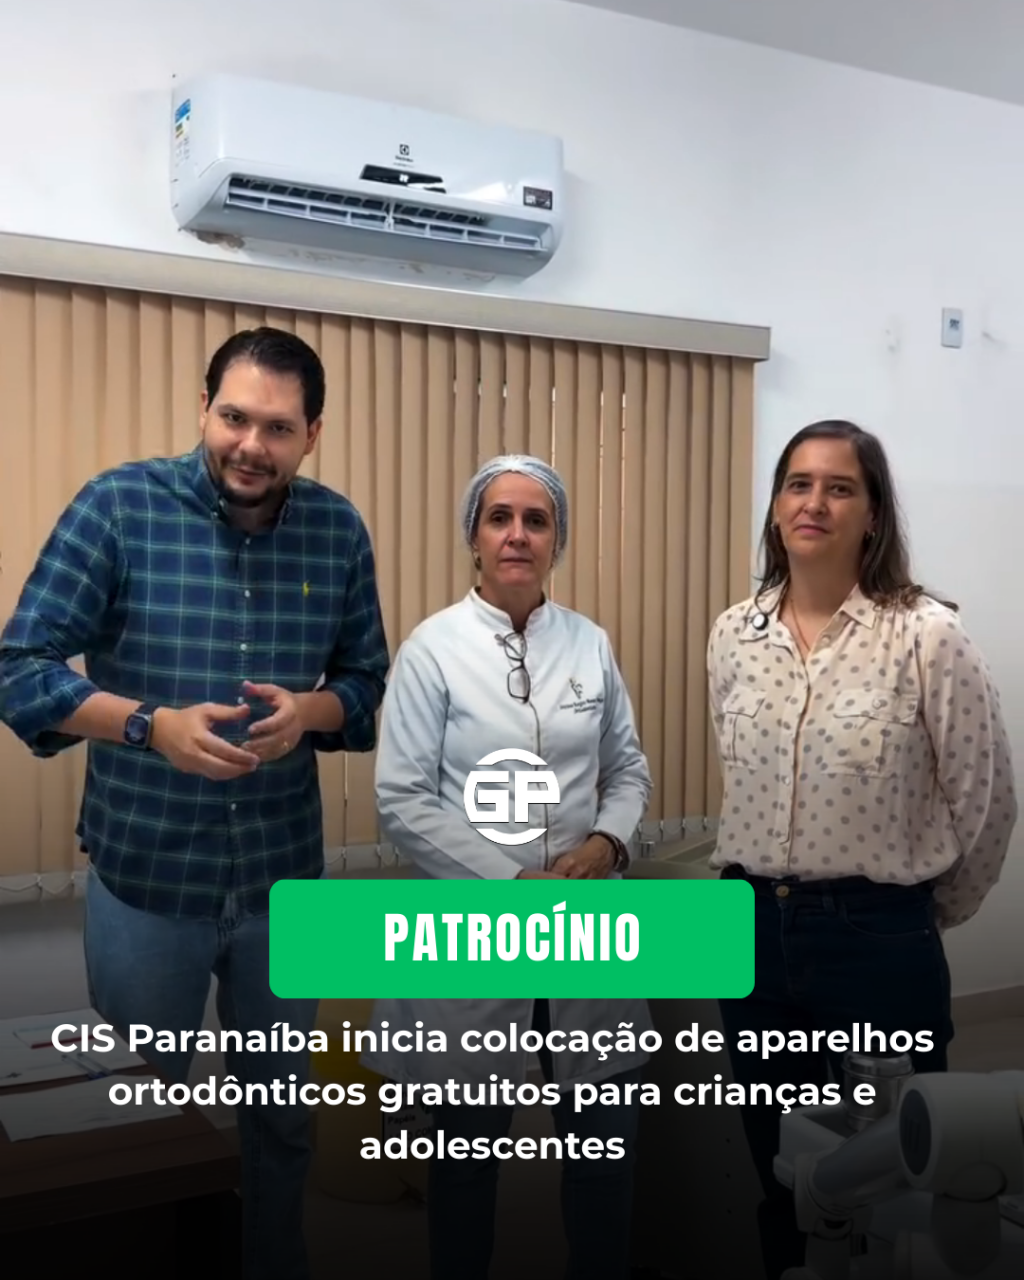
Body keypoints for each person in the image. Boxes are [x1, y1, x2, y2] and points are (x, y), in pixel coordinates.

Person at [0, 327, 390, 1280]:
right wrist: (149, 726)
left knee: (282, 1127)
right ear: (204, 408)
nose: (251, 445)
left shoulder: (337, 530)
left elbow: (366, 684)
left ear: (313, 435)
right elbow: (20, 671)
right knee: (140, 1132)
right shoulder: (119, 507)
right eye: (234, 417)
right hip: (148, 881)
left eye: (278, 428)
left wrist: (309, 713)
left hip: (283, 884)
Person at [706, 419, 1017, 1279]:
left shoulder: (927, 636)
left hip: (875, 939)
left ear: (872, 514)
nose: (815, 502)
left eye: (840, 487)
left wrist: (911, 917)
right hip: (749, 932)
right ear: (776, 506)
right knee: (785, 1170)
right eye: (798, 483)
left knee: (898, 1177)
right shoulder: (734, 633)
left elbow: (987, 804)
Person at [364, 455, 654, 1280]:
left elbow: (628, 771)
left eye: (536, 519)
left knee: (604, 1154)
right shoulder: (432, 650)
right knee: (465, 1168)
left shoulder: (589, 643)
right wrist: (514, 884)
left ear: (557, 539)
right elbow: (402, 799)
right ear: (475, 538)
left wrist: (606, 845)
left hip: (585, 926)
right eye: (500, 518)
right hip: (478, 930)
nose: (517, 534)